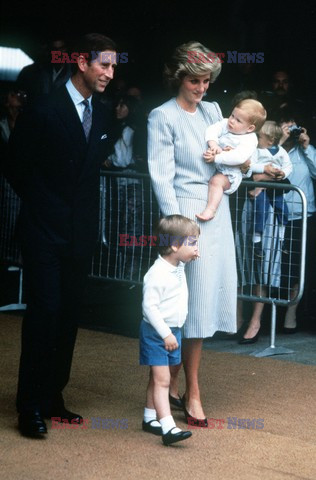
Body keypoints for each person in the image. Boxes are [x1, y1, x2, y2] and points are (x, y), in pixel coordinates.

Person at [4, 33, 117, 437]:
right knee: (44, 315)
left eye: (113, 66)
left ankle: (53, 398)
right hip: (43, 232)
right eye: (104, 64)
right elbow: (15, 166)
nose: (110, 73)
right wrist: (46, 207)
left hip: (79, 235)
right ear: (82, 63)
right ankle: (29, 406)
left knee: (68, 316)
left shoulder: (102, 114)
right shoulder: (45, 108)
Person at [147, 40, 238, 426]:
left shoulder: (215, 111)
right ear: (178, 77)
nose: (202, 88)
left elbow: (235, 163)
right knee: (184, 308)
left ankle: (182, 387)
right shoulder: (161, 116)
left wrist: (228, 179)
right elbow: (160, 175)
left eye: (207, 81)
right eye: (195, 81)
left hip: (217, 214)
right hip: (186, 218)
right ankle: (176, 390)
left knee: (201, 308)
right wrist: (178, 231)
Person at [237, 114, 316, 343]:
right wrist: (278, 142)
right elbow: (256, 171)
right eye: (286, 126)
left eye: (294, 127)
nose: (290, 131)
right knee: (263, 264)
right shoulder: (267, 148)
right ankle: (255, 319)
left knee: (294, 267)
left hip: (301, 215)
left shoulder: (305, 152)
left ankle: (289, 314)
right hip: (272, 214)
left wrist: (306, 146)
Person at [140, 214, 199, 446]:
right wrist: (165, 333)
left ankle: (149, 417)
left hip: (173, 331)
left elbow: (185, 258)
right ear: (174, 245)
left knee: (158, 378)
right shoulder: (157, 274)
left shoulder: (177, 264)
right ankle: (168, 426)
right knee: (163, 379)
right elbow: (149, 307)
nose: (196, 249)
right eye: (193, 243)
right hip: (158, 333)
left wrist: (192, 253)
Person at [196, 98, 266, 221]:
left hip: (231, 173)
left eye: (238, 120)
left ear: (250, 128)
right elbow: (212, 129)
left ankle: (211, 210)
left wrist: (217, 157)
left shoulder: (250, 139)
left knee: (216, 182)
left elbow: (239, 157)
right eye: (232, 115)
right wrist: (213, 144)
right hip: (217, 164)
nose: (232, 121)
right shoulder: (226, 124)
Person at [249, 120, 292, 258]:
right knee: (261, 211)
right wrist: (264, 170)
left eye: (259, 137)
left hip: (275, 187)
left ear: (270, 140)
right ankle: (256, 242)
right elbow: (251, 166)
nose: (257, 139)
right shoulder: (257, 151)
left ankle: (282, 239)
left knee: (283, 210)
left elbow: (288, 166)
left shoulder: (282, 152)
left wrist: (283, 173)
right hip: (261, 187)